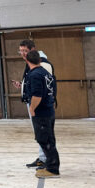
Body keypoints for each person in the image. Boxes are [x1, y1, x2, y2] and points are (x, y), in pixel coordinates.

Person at [12, 39, 55, 169]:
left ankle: (49, 161)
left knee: (44, 134)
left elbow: (43, 85)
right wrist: (22, 85)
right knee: (40, 134)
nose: (23, 53)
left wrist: (33, 107)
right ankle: (43, 158)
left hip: (40, 106)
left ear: (33, 50)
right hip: (35, 103)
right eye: (21, 51)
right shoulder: (32, 64)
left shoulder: (42, 63)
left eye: (25, 51)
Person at [26, 50, 59, 178]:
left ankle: (52, 169)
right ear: (40, 60)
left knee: (44, 139)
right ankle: (51, 166)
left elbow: (37, 95)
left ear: (27, 61)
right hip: (49, 110)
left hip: (41, 112)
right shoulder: (45, 72)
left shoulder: (34, 75)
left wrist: (32, 108)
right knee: (49, 139)